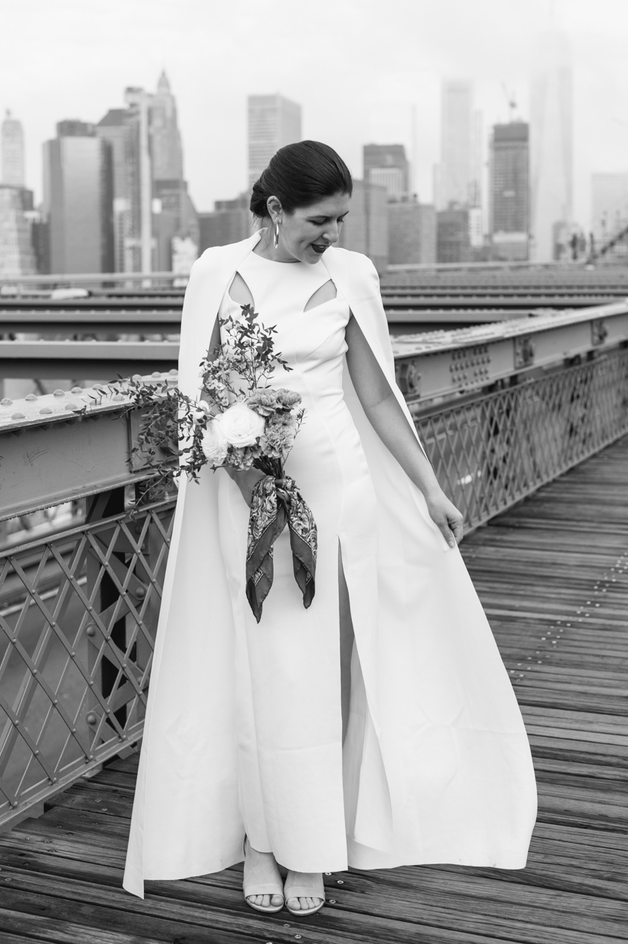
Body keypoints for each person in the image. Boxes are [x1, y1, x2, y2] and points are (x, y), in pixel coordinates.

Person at [123, 141, 537, 916]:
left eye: (342, 219)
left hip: (339, 496)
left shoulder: (353, 275)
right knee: (263, 669)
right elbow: (201, 394)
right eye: (320, 220)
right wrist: (245, 469)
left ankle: (312, 842)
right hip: (246, 502)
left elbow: (378, 398)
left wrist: (428, 487)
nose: (333, 235)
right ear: (275, 209)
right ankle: (259, 837)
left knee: (324, 670)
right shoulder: (216, 271)